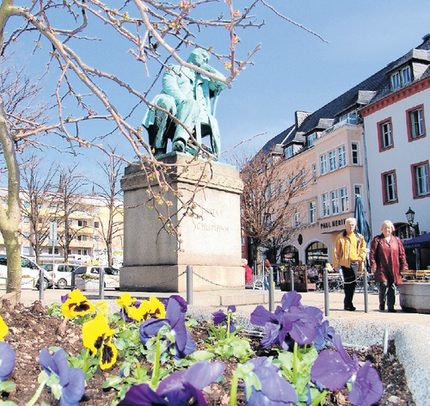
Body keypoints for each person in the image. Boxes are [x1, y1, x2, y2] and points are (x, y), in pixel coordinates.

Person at [144, 48, 226, 158]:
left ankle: (180, 142)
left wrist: (207, 68)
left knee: (192, 104)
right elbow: (169, 86)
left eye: (207, 59)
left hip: (196, 112)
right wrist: (183, 102)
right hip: (175, 105)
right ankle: (160, 148)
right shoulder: (174, 69)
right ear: (194, 54)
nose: (205, 60)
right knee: (172, 102)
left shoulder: (204, 81)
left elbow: (223, 83)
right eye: (203, 56)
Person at [369, 220, 408, 312]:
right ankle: (382, 303)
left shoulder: (396, 240)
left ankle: (391, 306)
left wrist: (404, 266)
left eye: (389, 228)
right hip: (382, 267)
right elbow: (372, 254)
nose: (387, 230)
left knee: (392, 286)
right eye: (385, 228)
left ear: (392, 229)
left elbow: (402, 254)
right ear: (382, 229)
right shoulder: (377, 240)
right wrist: (373, 265)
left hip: (394, 267)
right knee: (383, 285)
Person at [333, 217, 367, 311]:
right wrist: (336, 264)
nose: (351, 226)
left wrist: (361, 258)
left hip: (355, 262)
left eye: (352, 225)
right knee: (348, 284)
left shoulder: (359, 237)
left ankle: (348, 302)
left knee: (353, 284)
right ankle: (348, 303)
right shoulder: (340, 237)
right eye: (349, 225)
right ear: (345, 226)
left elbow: (363, 248)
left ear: (355, 226)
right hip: (345, 263)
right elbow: (336, 251)